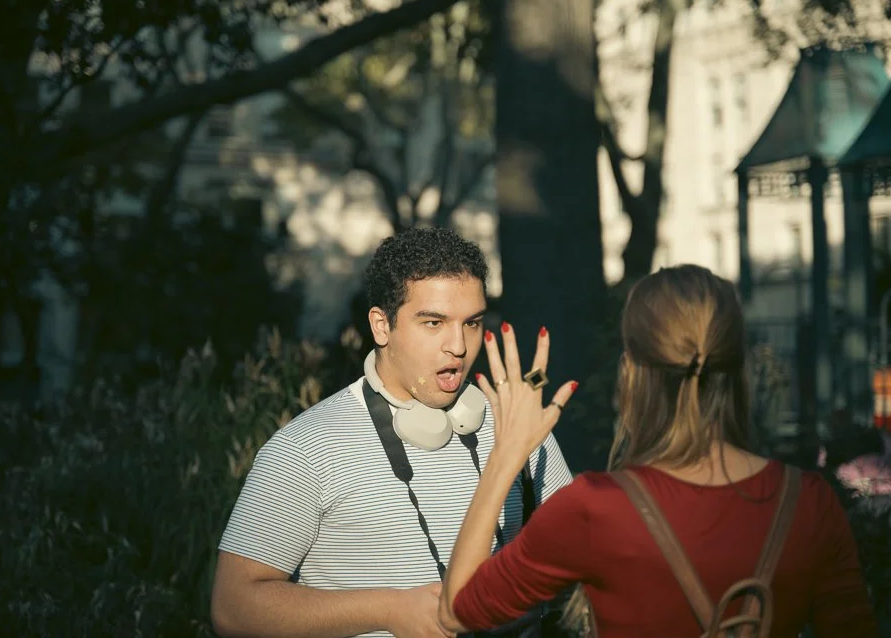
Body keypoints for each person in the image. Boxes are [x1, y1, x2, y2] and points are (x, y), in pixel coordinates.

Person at [439, 264, 878, 638]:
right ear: (739, 371)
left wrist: (506, 452)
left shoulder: (595, 508)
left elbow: (458, 609)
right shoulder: (810, 503)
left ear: (631, 373)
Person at [210, 227, 574, 638]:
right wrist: (388, 609)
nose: (458, 346)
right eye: (433, 323)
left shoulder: (517, 423)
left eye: (472, 323)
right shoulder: (305, 448)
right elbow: (233, 607)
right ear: (381, 326)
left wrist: (531, 600)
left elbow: (580, 561)